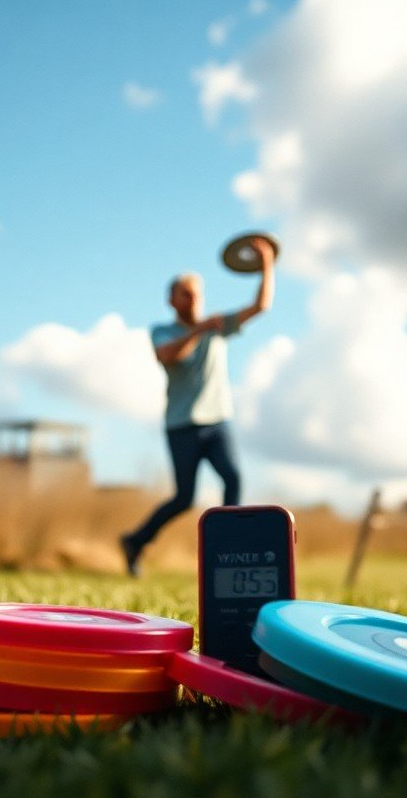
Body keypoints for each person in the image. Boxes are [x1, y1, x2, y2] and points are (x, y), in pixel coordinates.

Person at [120, 237, 276, 576]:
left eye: (197, 293)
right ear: (171, 300)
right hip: (181, 425)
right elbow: (168, 355)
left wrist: (265, 265)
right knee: (184, 499)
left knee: (233, 478)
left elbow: (261, 306)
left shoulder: (217, 327)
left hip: (217, 421)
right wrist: (198, 330)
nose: (193, 299)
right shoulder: (163, 331)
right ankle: (135, 541)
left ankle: (227, 550)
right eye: (185, 293)